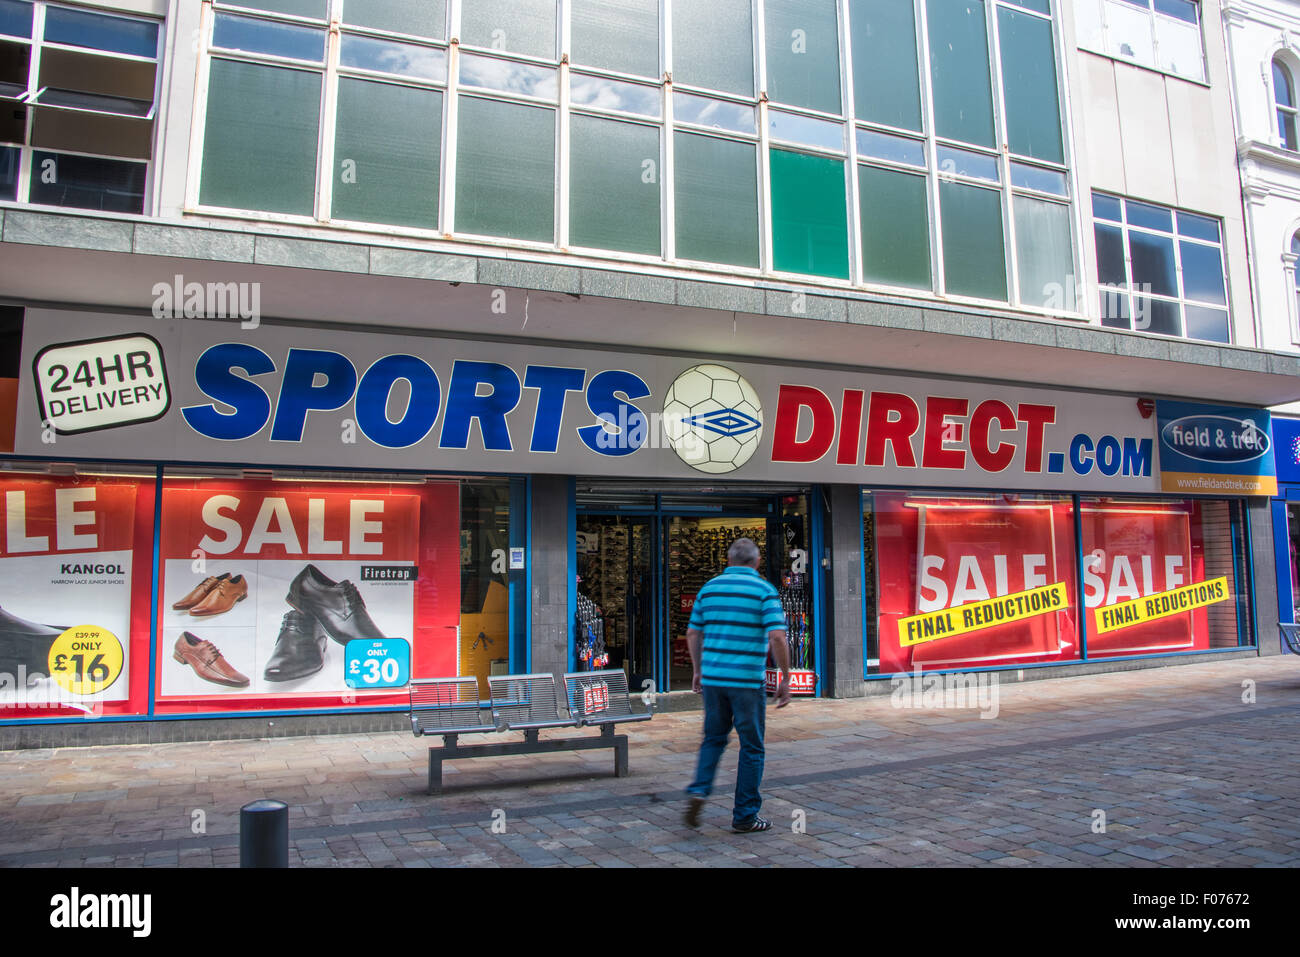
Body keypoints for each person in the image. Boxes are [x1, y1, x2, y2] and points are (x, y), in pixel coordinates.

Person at [683, 537, 790, 833]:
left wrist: (697, 670)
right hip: (746, 681)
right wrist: (785, 676)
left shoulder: (709, 588)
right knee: (752, 747)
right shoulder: (764, 591)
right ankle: (744, 814)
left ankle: (699, 788)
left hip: (714, 680)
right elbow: (778, 637)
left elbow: (692, 633)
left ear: (728, 561)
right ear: (756, 562)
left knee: (713, 739)